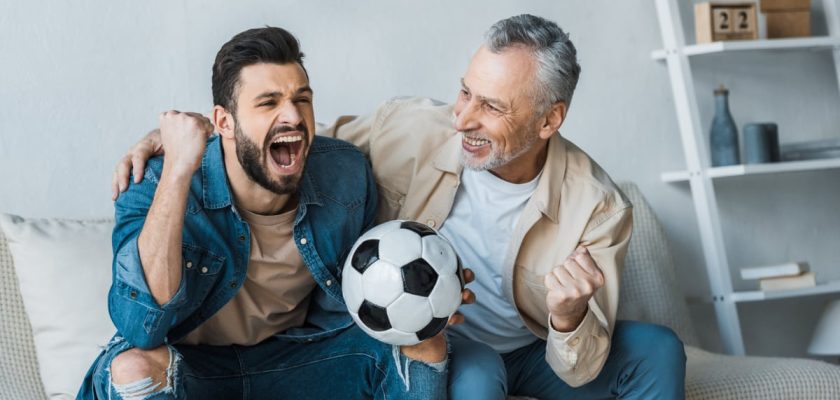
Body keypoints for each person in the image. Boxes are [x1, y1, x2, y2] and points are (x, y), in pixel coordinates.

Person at [114, 15, 687, 399]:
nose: (462, 118)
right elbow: (286, 144)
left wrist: (567, 318)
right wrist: (175, 143)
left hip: (539, 348)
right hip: (448, 340)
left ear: (549, 119)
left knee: (659, 349)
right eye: (465, 91)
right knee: (476, 375)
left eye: (491, 107)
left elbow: (580, 364)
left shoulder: (599, 207)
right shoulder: (411, 128)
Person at [80, 26, 469, 400]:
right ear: (223, 122)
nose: (294, 117)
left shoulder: (344, 175)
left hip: (292, 362)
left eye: (302, 99)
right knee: (132, 371)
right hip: (188, 371)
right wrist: (178, 170)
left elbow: (360, 301)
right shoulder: (152, 180)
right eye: (268, 102)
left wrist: (427, 298)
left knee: (422, 343)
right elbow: (140, 326)